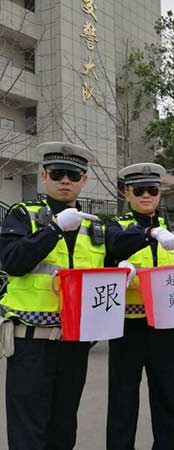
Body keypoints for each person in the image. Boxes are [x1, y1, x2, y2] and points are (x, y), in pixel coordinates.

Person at [0, 142, 103, 450]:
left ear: (83, 180)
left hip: (74, 343)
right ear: (43, 176)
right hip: (31, 341)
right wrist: (54, 228)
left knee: (63, 426)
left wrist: (124, 268)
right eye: (58, 173)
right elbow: (12, 262)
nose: (65, 181)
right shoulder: (23, 215)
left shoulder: (94, 227)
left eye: (73, 175)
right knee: (29, 430)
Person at [104, 163, 174, 450]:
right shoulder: (116, 226)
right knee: (124, 395)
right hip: (127, 324)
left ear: (160, 193)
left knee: (166, 393)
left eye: (152, 190)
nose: (146, 195)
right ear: (127, 194)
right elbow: (113, 248)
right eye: (139, 190)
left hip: (163, 323)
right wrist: (121, 262)